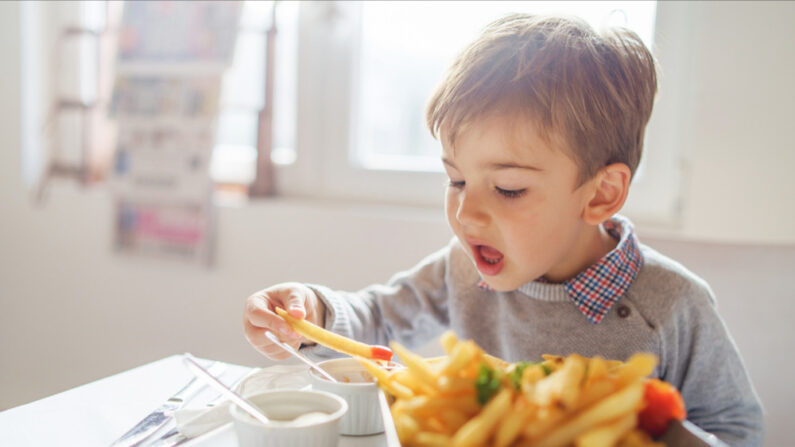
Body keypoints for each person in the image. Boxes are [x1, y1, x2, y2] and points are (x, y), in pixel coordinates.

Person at [242, 14, 763, 446]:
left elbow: (737, 427)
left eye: (509, 189)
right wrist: (312, 311)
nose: (467, 214)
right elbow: (378, 320)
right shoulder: (464, 267)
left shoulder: (673, 303)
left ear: (600, 194)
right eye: (456, 179)